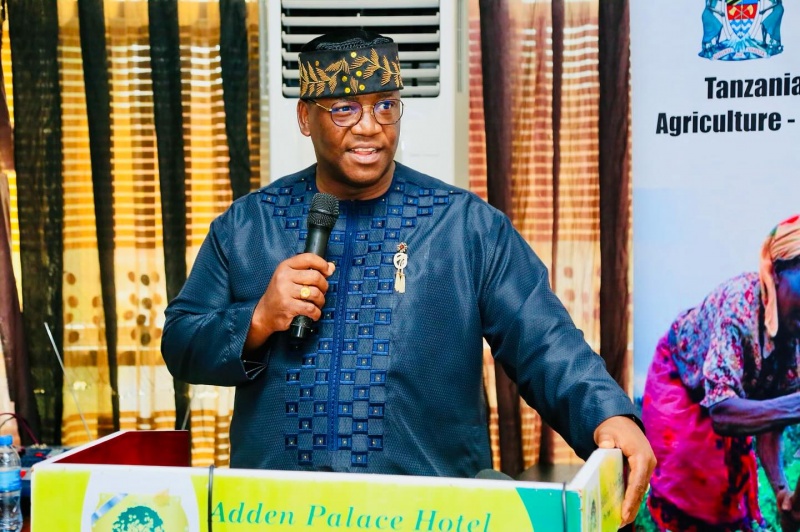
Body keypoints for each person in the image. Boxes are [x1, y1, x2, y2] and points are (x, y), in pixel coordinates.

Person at [161, 29, 654, 526]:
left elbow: (545, 340)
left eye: (385, 106)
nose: (369, 128)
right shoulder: (248, 226)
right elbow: (181, 340)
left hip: (433, 516)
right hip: (275, 514)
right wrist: (258, 319)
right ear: (305, 117)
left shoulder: (465, 226)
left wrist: (607, 414)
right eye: (344, 109)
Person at [641, 215, 800, 532]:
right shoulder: (738, 309)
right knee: (691, 491)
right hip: (682, 380)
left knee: (727, 502)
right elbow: (723, 413)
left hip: (730, 397)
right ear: (776, 273)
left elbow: (772, 419)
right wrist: (796, 405)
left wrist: (782, 491)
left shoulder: (793, 334)